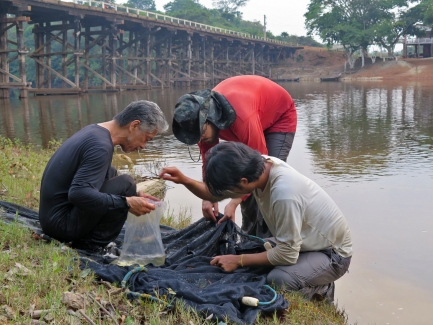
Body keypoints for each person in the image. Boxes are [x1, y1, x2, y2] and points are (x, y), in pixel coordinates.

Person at [159, 142, 352, 296]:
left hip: (331, 253)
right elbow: (214, 194)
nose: (228, 195)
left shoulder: (284, 193)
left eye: (230, 191)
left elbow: (287, 255)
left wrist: (239, 261)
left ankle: (319, 288)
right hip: (304, 241)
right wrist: (185, 180)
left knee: (278, 279)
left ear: (243, 182)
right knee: (248, 247)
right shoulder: (261, 165)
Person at [172, 75, 297, 238]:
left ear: (211, 119)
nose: (200, 140)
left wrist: (233, 203)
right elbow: (209, 161)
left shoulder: (242, 118)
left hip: (278, 118)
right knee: (244, 185)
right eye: (196, 137)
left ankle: (270, 241)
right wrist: (208, 196)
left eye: (201, 134)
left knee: (266, 181)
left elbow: (259, 165)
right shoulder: (201, 126)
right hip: (251, 116)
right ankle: (249, 236)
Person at [39, 100, 169, 250]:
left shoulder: (95, 132)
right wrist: (126, 202)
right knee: (126, 184)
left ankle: (90, 237)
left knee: (112, 172)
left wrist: (135, 195)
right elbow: (77, 193)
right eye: (146, 139)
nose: (143, 146)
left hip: (51, 219)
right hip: (61, 225)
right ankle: (92, 244)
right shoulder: (100, 146)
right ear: (134, 126)